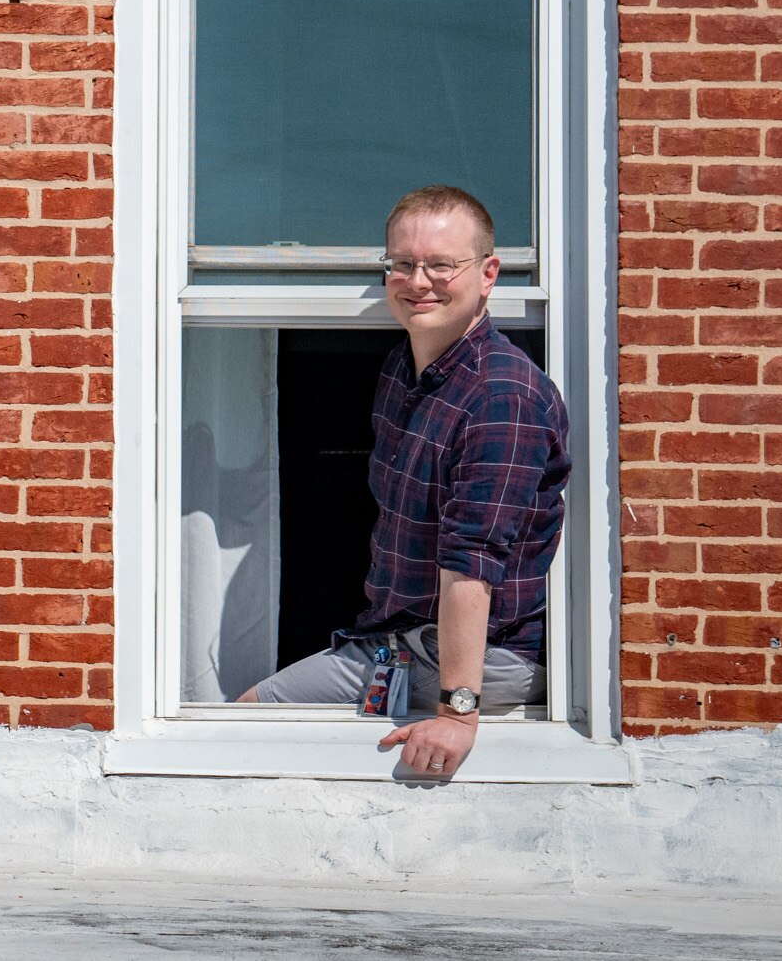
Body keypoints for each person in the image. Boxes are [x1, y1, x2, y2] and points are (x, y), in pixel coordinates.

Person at [241, 184, 569, 784]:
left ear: (488, 273)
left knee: (243, 730)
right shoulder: (403, 369)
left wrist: (457, 714)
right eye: (403, 263)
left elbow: (472, 565)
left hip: (480, 654)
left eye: (442, 264)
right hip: (402, 639)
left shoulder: (503, 398)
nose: (419, 281)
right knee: (243, 724)